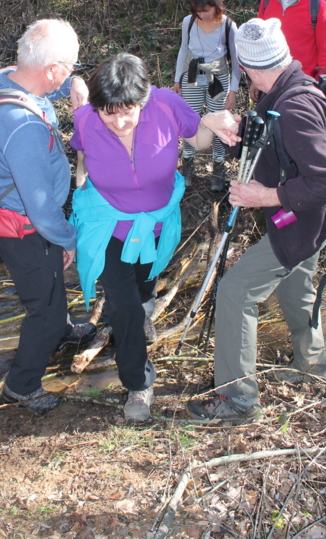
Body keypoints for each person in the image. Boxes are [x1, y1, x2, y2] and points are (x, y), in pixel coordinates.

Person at [185, 18, 326, 425]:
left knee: (235, 291)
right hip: (310, 218)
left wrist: (263, 196)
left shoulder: (295, 106)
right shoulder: (285, 90)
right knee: (296, 287)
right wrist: (239, 129)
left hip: (304, 221)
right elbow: (279, 141)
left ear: (247, 66)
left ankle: (238, 398)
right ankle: (313, 368)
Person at [70, 53, 240, 423]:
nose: (119, 122)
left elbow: (198, 140)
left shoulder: (165, 104)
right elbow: (82, 156)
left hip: (155, 225)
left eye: (127, 112)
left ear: (142, 100)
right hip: (108, 223)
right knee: (123, 305)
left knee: (145, 284)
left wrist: (210, 121)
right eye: (108, 114)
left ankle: (142, 313)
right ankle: (138, 383)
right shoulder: (85, 119)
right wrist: (80, 192)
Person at [0, 19, 95, 413]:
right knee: (42, 308)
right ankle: (22, 385)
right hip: (24, 228)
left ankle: (61, 332)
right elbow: (41, 208)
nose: (72, 72)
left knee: (50, 285)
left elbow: (50, 84)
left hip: (25, 219)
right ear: (51, 68)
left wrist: (74, 82)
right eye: (70, 66)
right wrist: (67, 239)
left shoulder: (5, 80)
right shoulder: (22, 125)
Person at [173, 0, 241, 191]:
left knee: (218, 121)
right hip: (192, 74)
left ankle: (218, 166)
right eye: (198, 11)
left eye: (206, 11)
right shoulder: (189, 22)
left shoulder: (228, 25)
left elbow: (236, 61)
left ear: (216, 7)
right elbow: (183, 50)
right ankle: (188, 162)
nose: (202, 15)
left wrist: (233, 91)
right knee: (190, 120)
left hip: (218, 77)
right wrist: (177, 79)